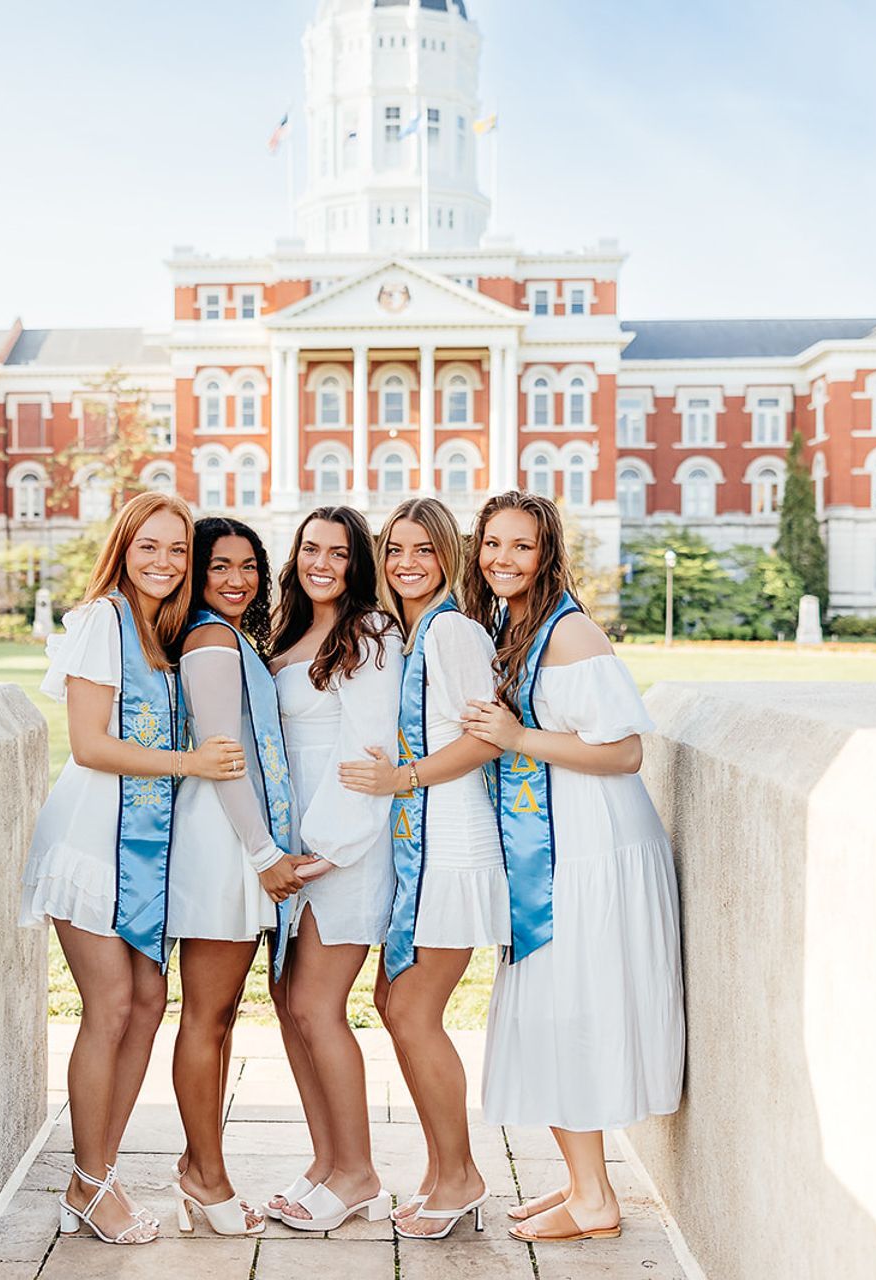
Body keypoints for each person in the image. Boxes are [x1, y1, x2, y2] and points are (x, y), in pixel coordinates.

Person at [17, 491, 245, 1247]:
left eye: (177, 550)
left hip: (139, 848)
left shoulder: (163, 630)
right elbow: (88, 744)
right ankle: (89, 1181)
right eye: (149, 546)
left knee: (148, 999)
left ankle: (98, 1173)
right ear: (123, 548)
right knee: (112, 1004)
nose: (164, 561)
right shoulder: (101, 623)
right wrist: (191, 762)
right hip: (90, 842)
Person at [459, 491, 685, 1245]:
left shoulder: (573, 635)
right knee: (554, 1011)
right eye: (493, 543)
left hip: (592, 852)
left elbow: (625, 752)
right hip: (551, 849)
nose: (503, 559)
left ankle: (595, 1201)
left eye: (521, 547)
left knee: (570, 1011)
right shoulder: (510, 625)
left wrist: (519, 737)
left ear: (547, 554)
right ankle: (581, 1181)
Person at [337, 496, 506, 1240]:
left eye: (423, 550)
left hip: (454, 843)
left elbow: (488, 738)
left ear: (449, 556)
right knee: (394, 1001)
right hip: (421, 842)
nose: (407, 563)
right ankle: (443, 1171)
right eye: (395, 549)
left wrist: (401, 779)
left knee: (410, 1008)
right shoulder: (412, 633)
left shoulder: (454, 633)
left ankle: (462, 1174)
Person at [166, 517, 303, 1236]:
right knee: (207, 1017)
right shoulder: (213, 641)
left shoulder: (233, 638)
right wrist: (263, 855)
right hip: (224, 843)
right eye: (220, 566)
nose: (237, 580)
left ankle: (201, 1169)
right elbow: (224, 755)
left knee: (218, 1019)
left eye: (249, 566)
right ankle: (205, 1178)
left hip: (237, 839)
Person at [266, 505, 401, 1233]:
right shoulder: (286, 634)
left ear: (358, 563)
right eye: (311, 548)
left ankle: (358, 1173)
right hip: (288, 853)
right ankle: (326, 1160)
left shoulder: (371, 634)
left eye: (340, 552)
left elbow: (370, 748)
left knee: (318, 1007)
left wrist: (324, 850)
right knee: (288, 1005)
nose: (323, 562)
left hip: (338, 850)